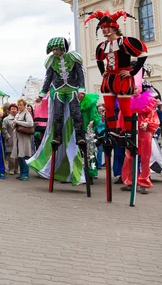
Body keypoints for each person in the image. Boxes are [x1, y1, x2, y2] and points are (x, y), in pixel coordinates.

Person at [85, 10, 147, 144]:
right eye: (102, 28)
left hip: (122, 77)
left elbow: (142, 54)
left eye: (107, 28)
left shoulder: (124, 42)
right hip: (109, 79)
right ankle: (112, 132)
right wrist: (103, 72)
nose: (104, 30)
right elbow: (99, 60)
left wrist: (132, 72)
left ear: (114, 28)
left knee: (125, 108)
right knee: (108, 107)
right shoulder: (102, 46)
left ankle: (129, 134)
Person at [36, 37, 86, 146]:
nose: (54, 52)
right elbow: (48, 78)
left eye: (56, 49)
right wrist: (42, 94)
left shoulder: (73, 57)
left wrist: (82, 90)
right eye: (53, 50)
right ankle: (57, 137)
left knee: (76, 113)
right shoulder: (51, 60)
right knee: (58, 114)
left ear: (63, 49)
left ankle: (80, 136)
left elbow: (80, 74)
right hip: (58, 89)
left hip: (72, 88)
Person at [121, 90, 159, 194]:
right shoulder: (126, 101)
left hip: (144, 133)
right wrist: (122, 131)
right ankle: (130, 181)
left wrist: (147, 124)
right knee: (129, 157)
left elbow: (153, 116)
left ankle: (143, 183)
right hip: (131, 132)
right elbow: (122, 118)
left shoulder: (148, 102)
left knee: (145, 159)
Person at [12, 99, 34, 181]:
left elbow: (30, 123)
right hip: (18, 138)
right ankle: (21, 173)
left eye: (21, 105)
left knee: (25, 155)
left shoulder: (27, 113)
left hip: (24, 137)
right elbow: (14, 123)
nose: (19, 106)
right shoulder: (18, 113)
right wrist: (14, 123)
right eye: (18, 105)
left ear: (24, 105)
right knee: (20, 156)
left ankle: (25, 174)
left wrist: (18, 122)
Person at [2, 103, 18, 175]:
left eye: (15, 109)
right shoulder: (6, 119)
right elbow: (4, 129)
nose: (14, 110)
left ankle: (16, 169)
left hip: (18, 138)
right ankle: (11, 169)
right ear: (9, 110)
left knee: (18, 154)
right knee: (11, 155)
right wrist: (8, 137)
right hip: (10, 138)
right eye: (12, 109)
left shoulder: (19, 118)